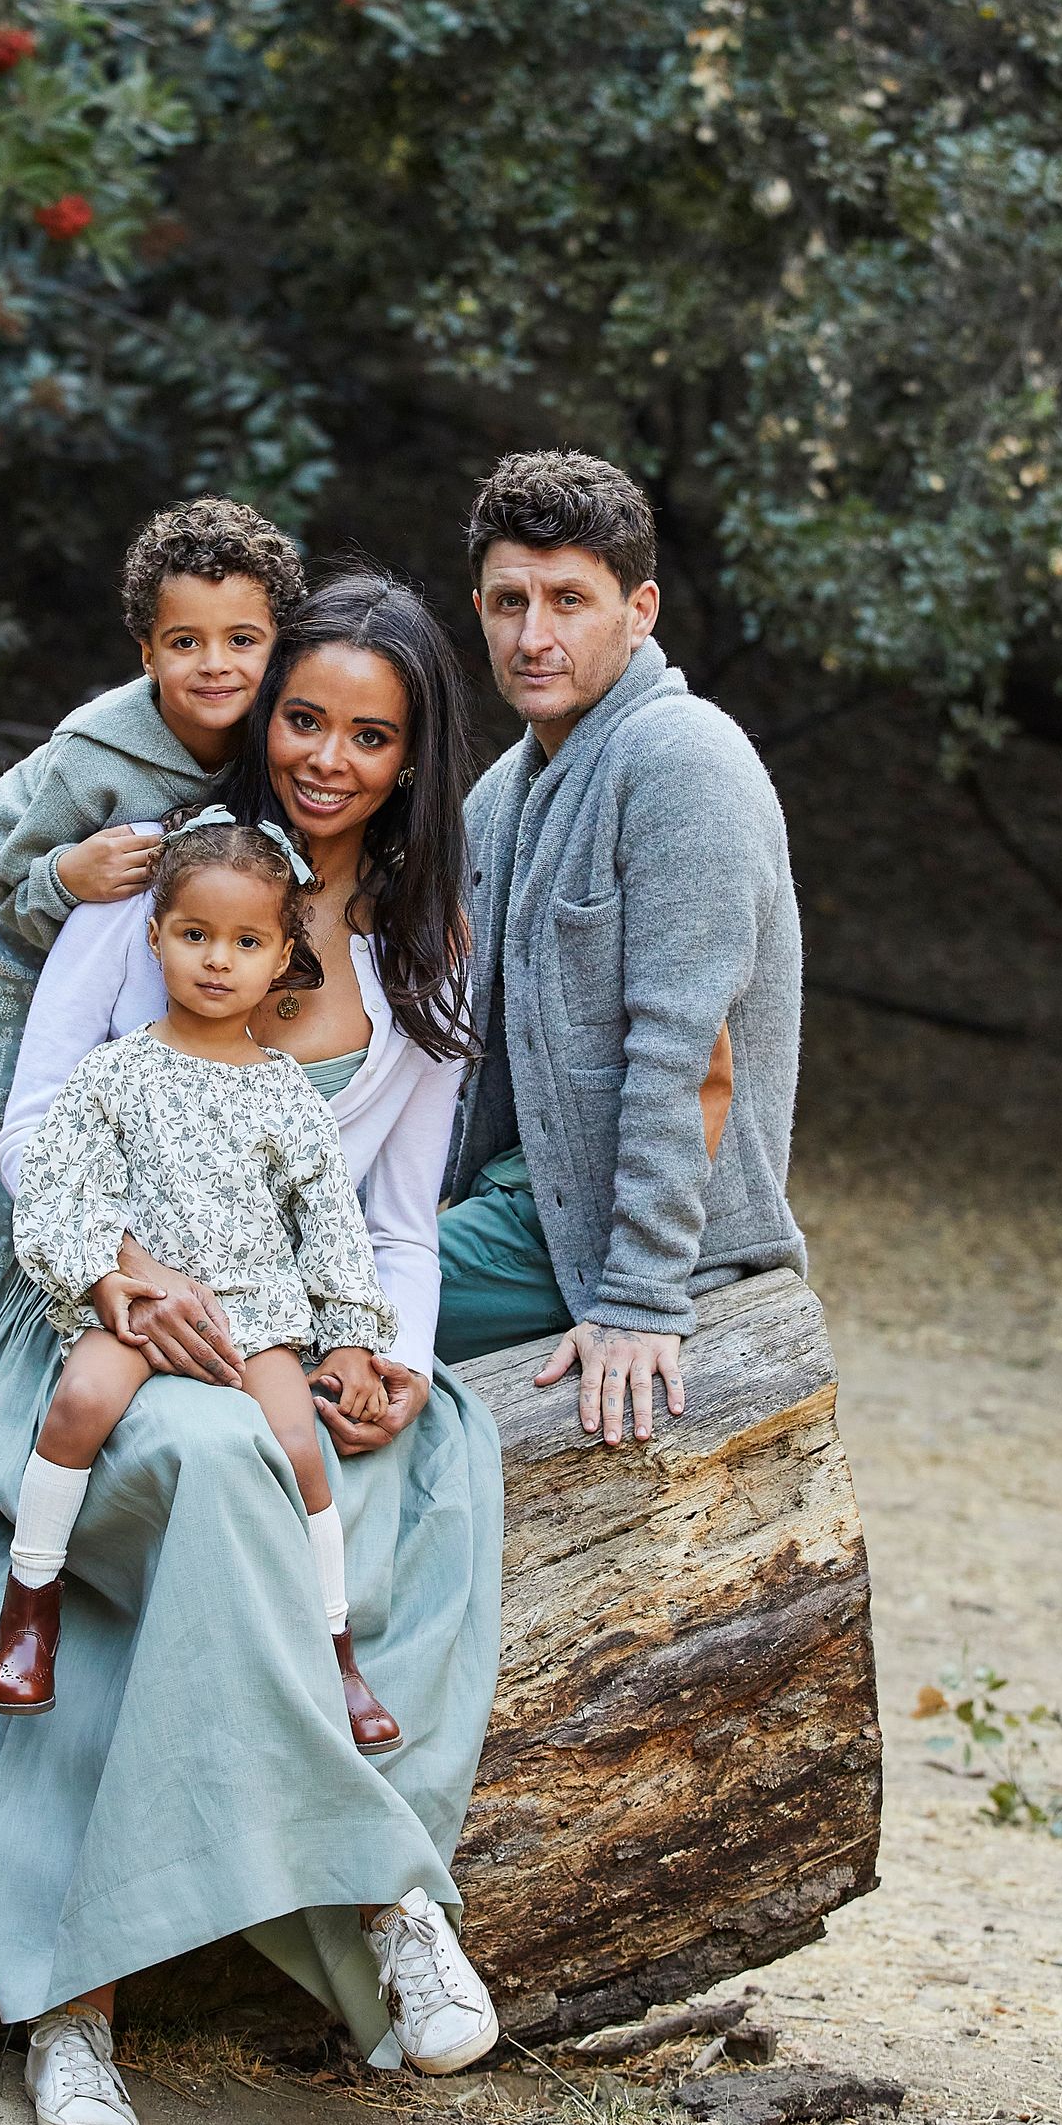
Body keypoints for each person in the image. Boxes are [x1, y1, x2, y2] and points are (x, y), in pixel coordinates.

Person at [0, 574, 505, 2125]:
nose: (329, 755)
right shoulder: (156, 892)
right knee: (204, 1464)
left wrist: (385, 1357)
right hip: (96, 1328)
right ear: (265, 720)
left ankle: (107, 1980)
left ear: (412, 761)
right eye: (306, 718)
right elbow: (28, 1136)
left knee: (350, 1460)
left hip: (282, 1337)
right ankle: (365, 1904)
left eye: (371, 735)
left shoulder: (420, 945)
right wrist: (127, 1280)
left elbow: (397, 1223)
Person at [0, 815, 401, 1752]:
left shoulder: (285, 1090)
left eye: (247, 942)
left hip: (256, 1310)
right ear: (156, 936)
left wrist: (348, 1334)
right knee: (84, 1397)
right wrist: (103, 1279)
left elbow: (331, 1220)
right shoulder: (116, 1072)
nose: (218, 961)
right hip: (136, 1303)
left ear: (284, 954)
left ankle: (335, 1651)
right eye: (196, 935)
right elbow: (58, 1185)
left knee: (297, 1448)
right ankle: (31, 1603)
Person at [0, 498, 305, 1495]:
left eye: (241, 640)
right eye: (185, 642)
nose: (214, 664)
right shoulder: (95, 752)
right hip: (4, 919)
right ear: (145, 651)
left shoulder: (276, 729)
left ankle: (78, 1337)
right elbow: (6, 868)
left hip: (118, 936)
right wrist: (67, 879)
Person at [437, 450, 806, 1444]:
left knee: (293, 1321)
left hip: (613, 1239)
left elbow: (686, 1056)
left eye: (568, 600)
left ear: (637, 609)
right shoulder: (507, 791)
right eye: (508, 602)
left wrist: (638, 1297)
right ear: (477, 608)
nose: (533, 635)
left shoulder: (680, 759)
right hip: (519, 1197)